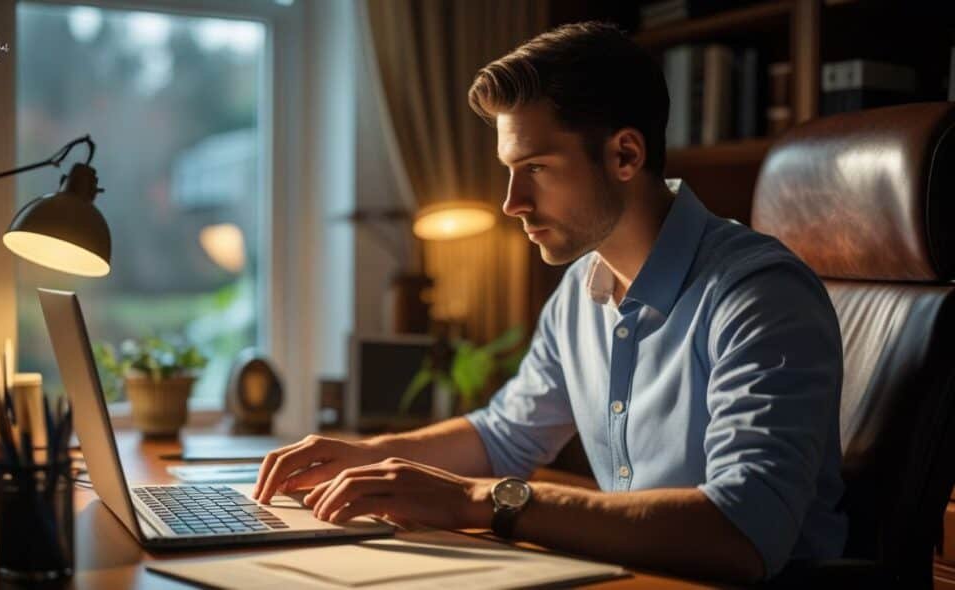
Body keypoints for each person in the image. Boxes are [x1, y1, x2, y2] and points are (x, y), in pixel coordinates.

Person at [252, 21, 846, 583]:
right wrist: (367, 460)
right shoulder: (581, 289)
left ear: (625, 156)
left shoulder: (760, 296)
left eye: (535, 167)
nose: (512, 202)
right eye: (511, 169)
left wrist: (476, 500)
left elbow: (744, 531)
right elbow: (504, 437)